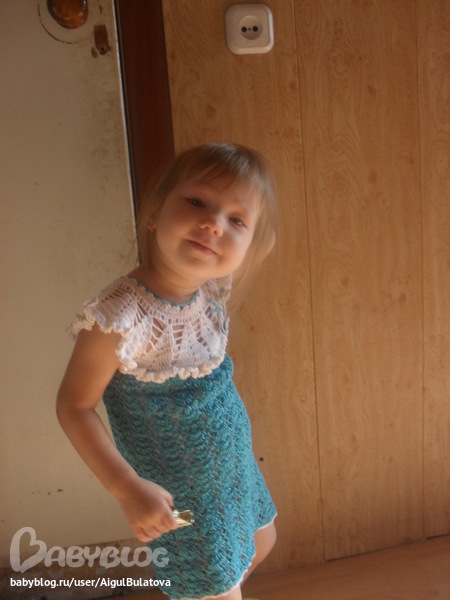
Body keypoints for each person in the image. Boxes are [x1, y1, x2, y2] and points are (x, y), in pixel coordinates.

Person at [57, 142, 278, 600]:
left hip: (233, 473)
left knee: (261, 543)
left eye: (236, 220)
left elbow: (259, 243)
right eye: (197, 202)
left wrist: (255, 236)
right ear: (155, 213)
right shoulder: (118, 319)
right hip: (181, 496)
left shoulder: (211, 288)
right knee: (215, 586)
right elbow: (73, 406)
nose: (213, 224)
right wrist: (126, 488)